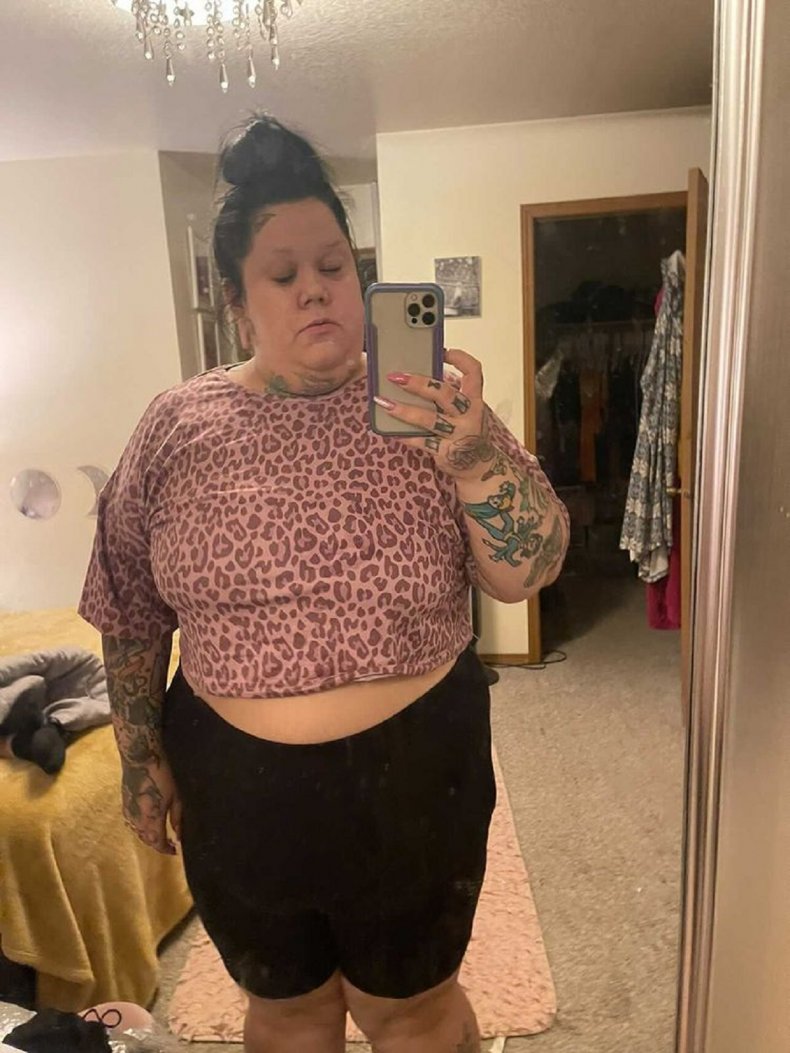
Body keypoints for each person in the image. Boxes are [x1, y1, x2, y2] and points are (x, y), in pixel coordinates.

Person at [78, 115, 569, 1053]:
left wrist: (472, 453)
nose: (315, 288)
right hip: (239, 792)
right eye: (283, 273)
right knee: (288, 1015)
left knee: (414, 1013)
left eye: (333, 265)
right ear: (238, 301)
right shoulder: (176, 426)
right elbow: (128, 605)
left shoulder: (432, 406)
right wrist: (140, 757)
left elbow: (530, 570)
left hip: (420, 775)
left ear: (361, 274)